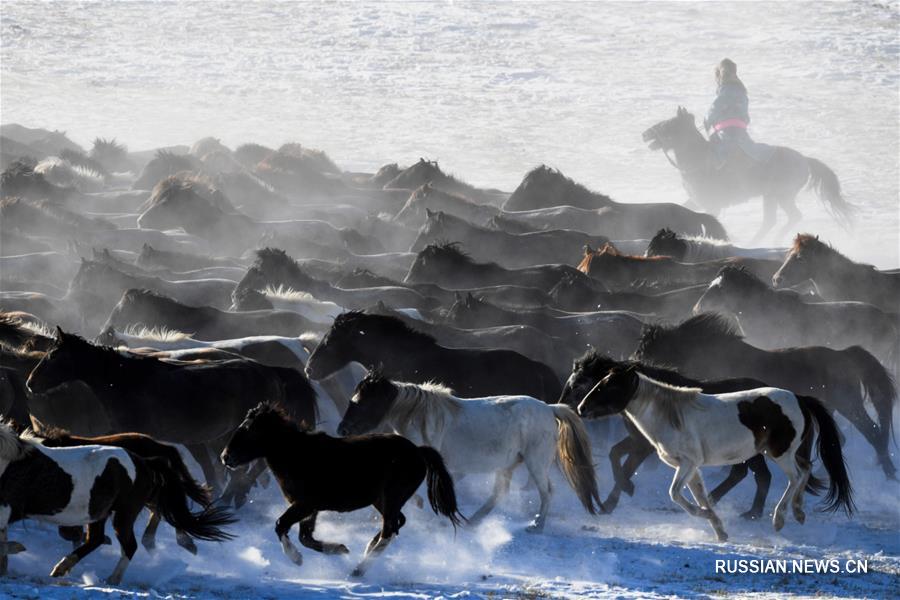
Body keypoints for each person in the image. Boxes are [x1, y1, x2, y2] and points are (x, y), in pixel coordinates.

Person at [704, 59, 773, 170]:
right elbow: (745, 117)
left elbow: (714, 109)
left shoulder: (725, 90)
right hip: (741, 132)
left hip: (726, 133)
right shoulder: (741, 91)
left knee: (713, 155)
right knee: (752, 149)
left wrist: (707, 121)